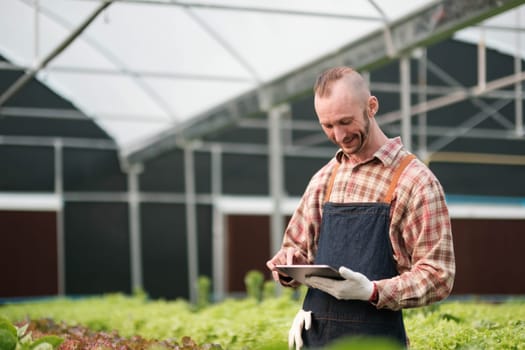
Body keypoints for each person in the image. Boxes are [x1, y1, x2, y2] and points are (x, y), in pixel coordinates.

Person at [266, 66, 455, 349]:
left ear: (372, 106)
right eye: (328, 126)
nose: (339, 135)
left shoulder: (415, 182)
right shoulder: (325, 179)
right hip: (315, 338)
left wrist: (373, 291)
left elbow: (438, 275)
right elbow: (295, 249)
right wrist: (288, 264)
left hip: (376, 340)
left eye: (346, 121)